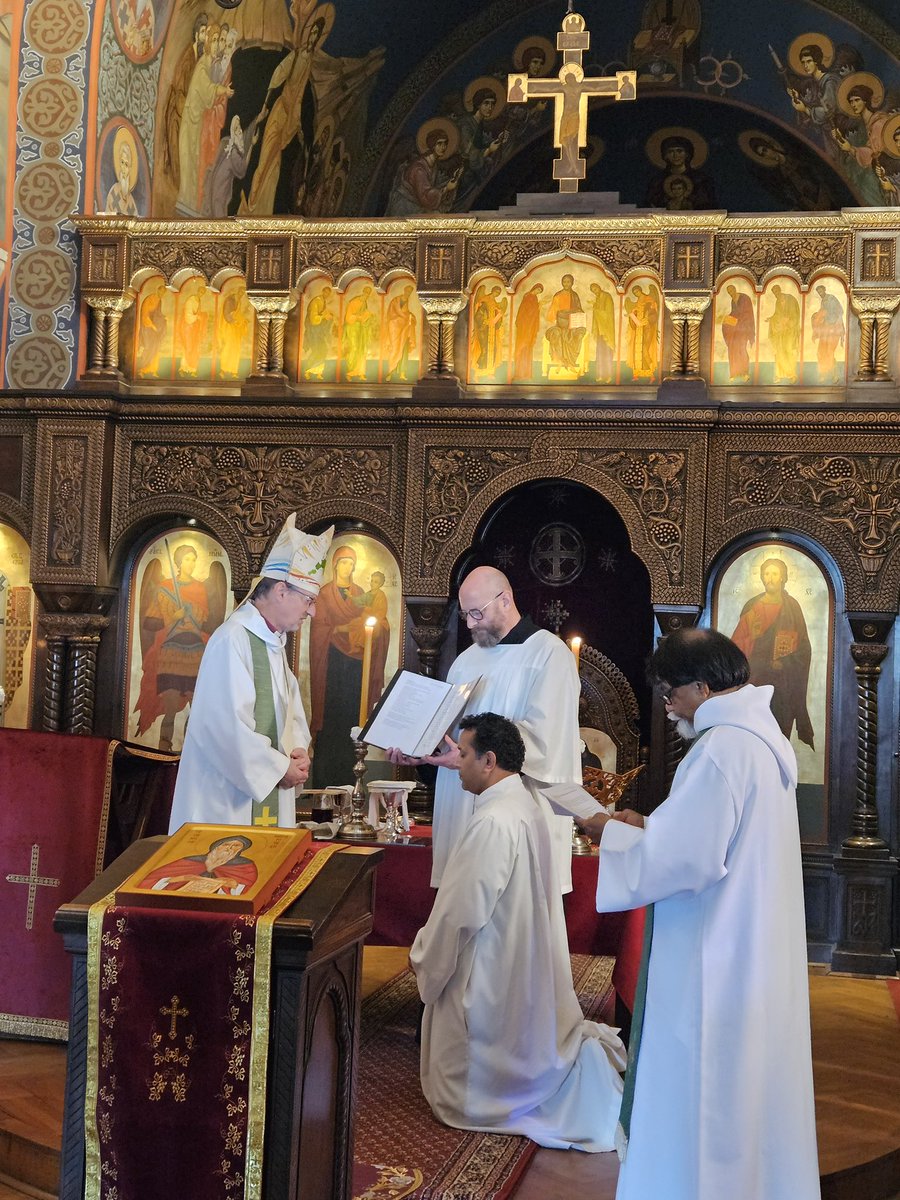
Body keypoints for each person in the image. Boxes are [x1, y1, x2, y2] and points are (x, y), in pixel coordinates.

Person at [591, 627, 820, 1200]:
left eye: (670, 693)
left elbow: (685, 859)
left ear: (702, 685)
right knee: (750, 1088)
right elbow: (707, 838)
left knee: (705, 1084)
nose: (667, 707)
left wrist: (611, 833)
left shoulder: (722, 750)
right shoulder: (760, 742)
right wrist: (652, 828)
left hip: (714, 954)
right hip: (749, 944)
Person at [410, 713, 625, 1148]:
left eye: (464, 754)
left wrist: (426, 957)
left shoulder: (493, 820)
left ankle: (493, 1092)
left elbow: (461, 911)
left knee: (467, 1076)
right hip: (518, 949)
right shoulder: (524, 804)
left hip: (493, 961)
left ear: (489, 760)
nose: (460, 764)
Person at [389, 565, 605, 891]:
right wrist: (423, 752)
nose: (472, 623)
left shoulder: (548, 654)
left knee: (513, 920)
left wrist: (466, 756)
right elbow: (449, 734)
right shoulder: (465, 661)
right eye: (466, 615)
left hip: (519, 815)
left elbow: (545, 742)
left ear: (505, 600)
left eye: (478, 612)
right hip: (462, 809)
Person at [168, 515, 333, 831]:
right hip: (228, 802)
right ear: (281, 591)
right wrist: (278, 767)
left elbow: (291, 716)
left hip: (265, 790)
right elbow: (223, 727)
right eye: (308, 600)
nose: (312, 611)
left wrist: (297, 752)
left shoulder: (272, 643)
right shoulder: (233, 639)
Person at [730, 556, 815, 748]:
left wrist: (786, 660)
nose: (770, 578)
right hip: (755, 680)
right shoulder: (753, 607)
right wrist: (752, 637)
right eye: (766, 573)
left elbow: (804, 646)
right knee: (754, 732)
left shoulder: (793, 607)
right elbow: (736, 647)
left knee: (779, 734)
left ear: (783, 578)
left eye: (775, 574)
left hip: (784, 683)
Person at [139, 834, 258, 895]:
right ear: (217, 847)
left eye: (236, 846)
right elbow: (150, 880)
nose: (230, 849)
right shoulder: (192, 861)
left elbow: (251, 890)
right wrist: (184, 878)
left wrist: (234, 885)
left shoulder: (244, 866)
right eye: (226, 845)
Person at [721, 283, 755, 381]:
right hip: (736, 328)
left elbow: (748, 313)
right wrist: (727, 318)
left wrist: (737, 321)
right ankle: (734, 373)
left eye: (731, 291)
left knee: (742, 349)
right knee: (732, 349)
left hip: (743, 328)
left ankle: (745, 373)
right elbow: (734, 313)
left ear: (735, 289)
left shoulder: (744, 298)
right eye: (729, 292)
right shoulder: (733, 301)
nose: (731, 293)